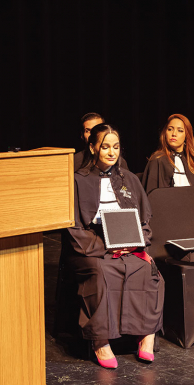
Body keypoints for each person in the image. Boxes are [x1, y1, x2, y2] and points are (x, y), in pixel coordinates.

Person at [63, 123, 164, 368]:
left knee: (148, 271)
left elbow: (144, 221)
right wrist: (106, 248)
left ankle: (146, 335)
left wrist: (134, 244)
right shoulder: (77, 180)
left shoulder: (128, 179)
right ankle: (101, 339)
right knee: (101, 272)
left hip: (128, 246)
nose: (111, 152)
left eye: (116, 147)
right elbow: (73, 227)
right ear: (92, 147)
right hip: (93, 248)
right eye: (105, 146)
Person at [141, 114, 194, 203]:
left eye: (180, 130)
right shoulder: (158, 160)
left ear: (186, 135)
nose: (174, 134)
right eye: (170, 129)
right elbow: (151, 196)